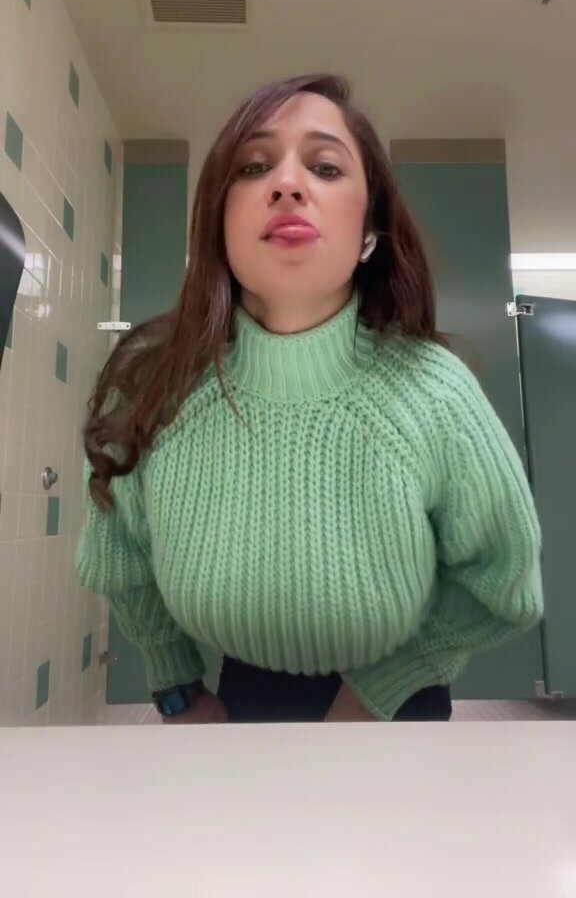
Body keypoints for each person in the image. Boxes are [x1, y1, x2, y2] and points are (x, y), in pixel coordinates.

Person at [75, 73, 544, 725]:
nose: (288, 184)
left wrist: (382, 690)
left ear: (369, 230)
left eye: (325, 167)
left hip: (401, 716)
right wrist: (176, 689)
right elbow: (121, 559)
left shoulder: (436, 392)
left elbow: (502, 578)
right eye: (253, 166)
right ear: (219, 223)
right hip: (231, 710)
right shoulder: (156, 388)